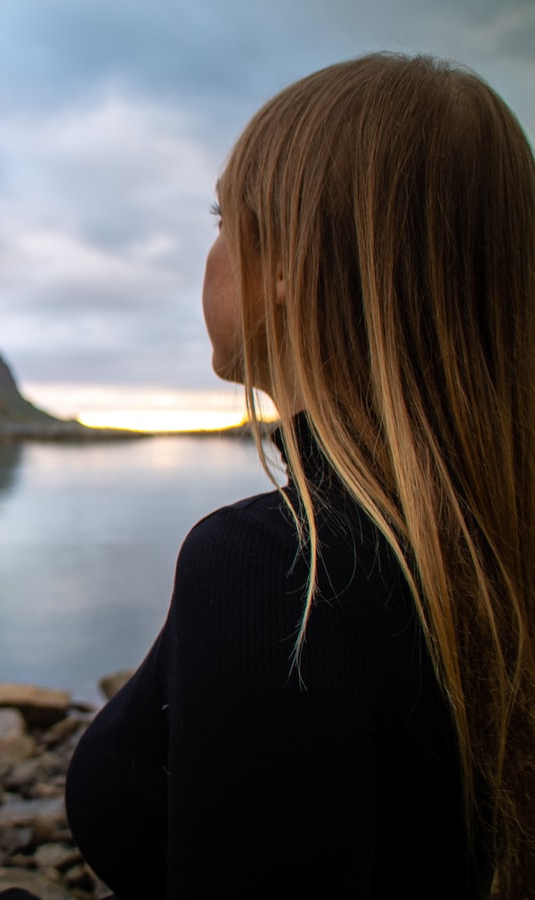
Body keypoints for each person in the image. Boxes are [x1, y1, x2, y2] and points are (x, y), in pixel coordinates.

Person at [63, 54, 535, 899]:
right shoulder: (501, 536)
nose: (207, 254)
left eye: (222, 216)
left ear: (288, 263)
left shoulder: (277, 569)